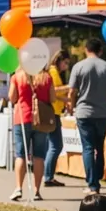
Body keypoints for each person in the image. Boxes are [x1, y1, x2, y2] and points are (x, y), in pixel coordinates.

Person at [65, 38, 106, 195]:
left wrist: (71, 106)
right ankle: (98, 177)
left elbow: (72, 91)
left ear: (86, 49)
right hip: (102, 113)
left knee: (88, 148)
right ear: (100, 51)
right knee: (99, 147)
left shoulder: (78, 67)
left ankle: (92, 183)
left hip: (84, 112)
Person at [8, 64, 53, 202]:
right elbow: (52, 98)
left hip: (22, 117)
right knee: (39, 156)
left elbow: (12, 98)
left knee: (21, 154)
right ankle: (37, 191)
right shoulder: (46, 77)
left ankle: (18, 188)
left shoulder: (18, 77)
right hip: (40, 119)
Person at [44, 50, 72, 187]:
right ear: (59, 60)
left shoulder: (53, 71)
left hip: (54, 111)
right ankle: (48, 176)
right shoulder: (53, 71)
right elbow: (54, 91)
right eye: (65, 63)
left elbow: (54, 93)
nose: (66, 66)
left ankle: (49, 176)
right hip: (52, 112)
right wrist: (69, 87)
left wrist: (65, 99)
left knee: (54, 145)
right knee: (56, 145)